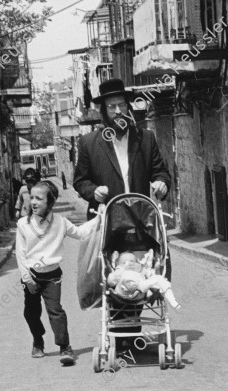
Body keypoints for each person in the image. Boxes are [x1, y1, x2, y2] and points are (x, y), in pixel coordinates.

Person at [73, 78, 172, 336]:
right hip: (109, 223)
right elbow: (80, 181)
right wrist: (92, 191)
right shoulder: (89, 144)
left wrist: (161, 184)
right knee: (113, 274)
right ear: (103, 112)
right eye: (111, 107)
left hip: (142, 222)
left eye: (121, 105)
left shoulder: (146, 139)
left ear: (128, 107)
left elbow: (161, 172)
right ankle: (122, 330)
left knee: (140, 271)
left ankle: (131, 327)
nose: (117, 111)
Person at [15, 180, 102, 365]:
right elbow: (20, 253)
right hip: (30, 276)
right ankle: (38, 341)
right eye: (31, 198)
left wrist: (99, 219)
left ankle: (65, 347)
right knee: (31, 313)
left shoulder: (60, 222)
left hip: (52, 276)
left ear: (50, 202)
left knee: (55, 311)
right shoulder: (23, 224)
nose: (34, 202)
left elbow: (80, 232)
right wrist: (26, 277)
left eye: (39, 198)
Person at [107, 251, 180, 309]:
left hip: (140, 291)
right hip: (123, 291)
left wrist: (155, 271)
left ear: (137, 263)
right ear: (118, 264)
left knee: (158, 279)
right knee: (126, 276)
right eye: (124, 262)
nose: (128, 263)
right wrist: (117, 273)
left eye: (132, 261)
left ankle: (172, 299)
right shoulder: (120, 270)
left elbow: (150, 276)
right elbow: (111, 281)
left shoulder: (140, 270)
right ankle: (134, 286)